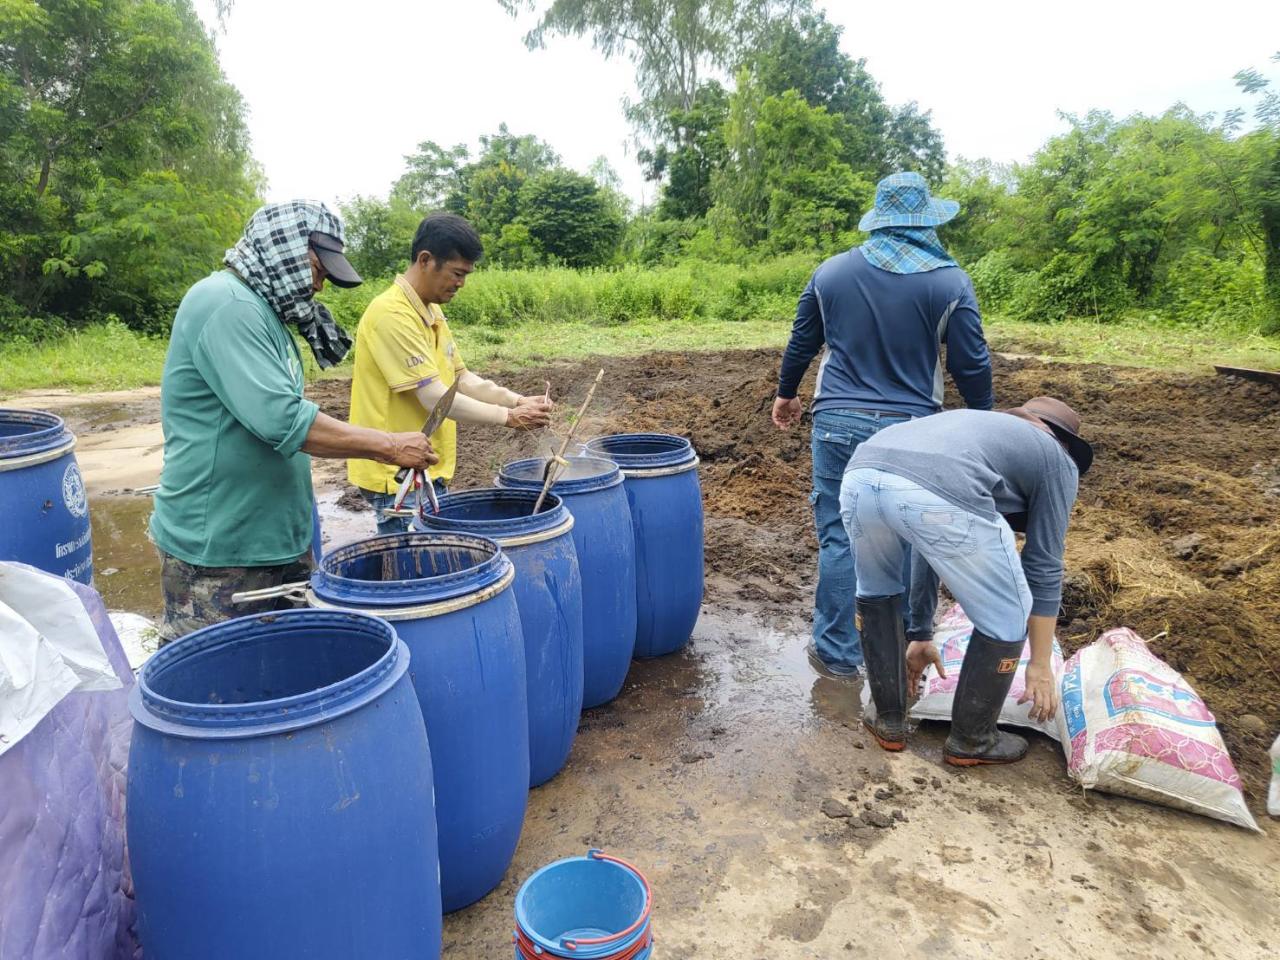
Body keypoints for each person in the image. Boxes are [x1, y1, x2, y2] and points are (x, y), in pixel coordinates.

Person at [149, 200, 438, 643]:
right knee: (227, 692)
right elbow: (281, 419)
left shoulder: (264, 314)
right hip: (222, 551)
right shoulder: (227, 306)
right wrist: (390, 445)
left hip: (269, 541)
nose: (319, 288)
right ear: (285, 251)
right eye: (319, 272)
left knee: (281, 683)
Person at [771, 171, 994, 678]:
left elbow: (802, 342)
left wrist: (786, 394)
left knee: (839, 536)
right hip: (915, 430)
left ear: (878, 221)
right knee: (916, 536)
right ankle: (908, 643)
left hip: (837, 422)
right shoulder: (949, 281)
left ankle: (837, 654)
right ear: (926, 221)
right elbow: (971, 364)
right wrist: (982, 423)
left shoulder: (830, 273)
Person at [840, 397, 1093, 765]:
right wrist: (1039, 665)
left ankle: (887, 720)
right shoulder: (1058, 460)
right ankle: (973, 739)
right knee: (1009, 612)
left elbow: (927, 549)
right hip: (935, 490)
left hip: (860, 474)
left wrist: (921, 634)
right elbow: (1043, 565)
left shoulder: (974, 430)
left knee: (876, 590)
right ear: (1064, 441)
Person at [347, 213, 553, 533]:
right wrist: (508, 418)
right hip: (397, 474)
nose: (461, 283)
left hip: (425, 467)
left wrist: (517, 400)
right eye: (457, 273)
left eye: (466, 275)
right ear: (426, 260)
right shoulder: (391, 313)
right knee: (416, 573)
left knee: (433, 565)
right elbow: (433, 397)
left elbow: (462, 379)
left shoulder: (431, 310)